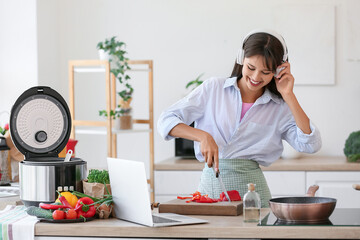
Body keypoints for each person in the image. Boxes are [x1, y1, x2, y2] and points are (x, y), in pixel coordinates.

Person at [157, 29, 321, 207]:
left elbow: (311, 144)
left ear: (278, 70)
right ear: (241, 58)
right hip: (210, 193)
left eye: (266, 72)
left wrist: (288, 94)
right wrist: (202, 136)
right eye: (251, 68)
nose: (256, 77)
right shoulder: (213, 89)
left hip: (254, 196)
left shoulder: (279, 106)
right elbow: (166, 120)